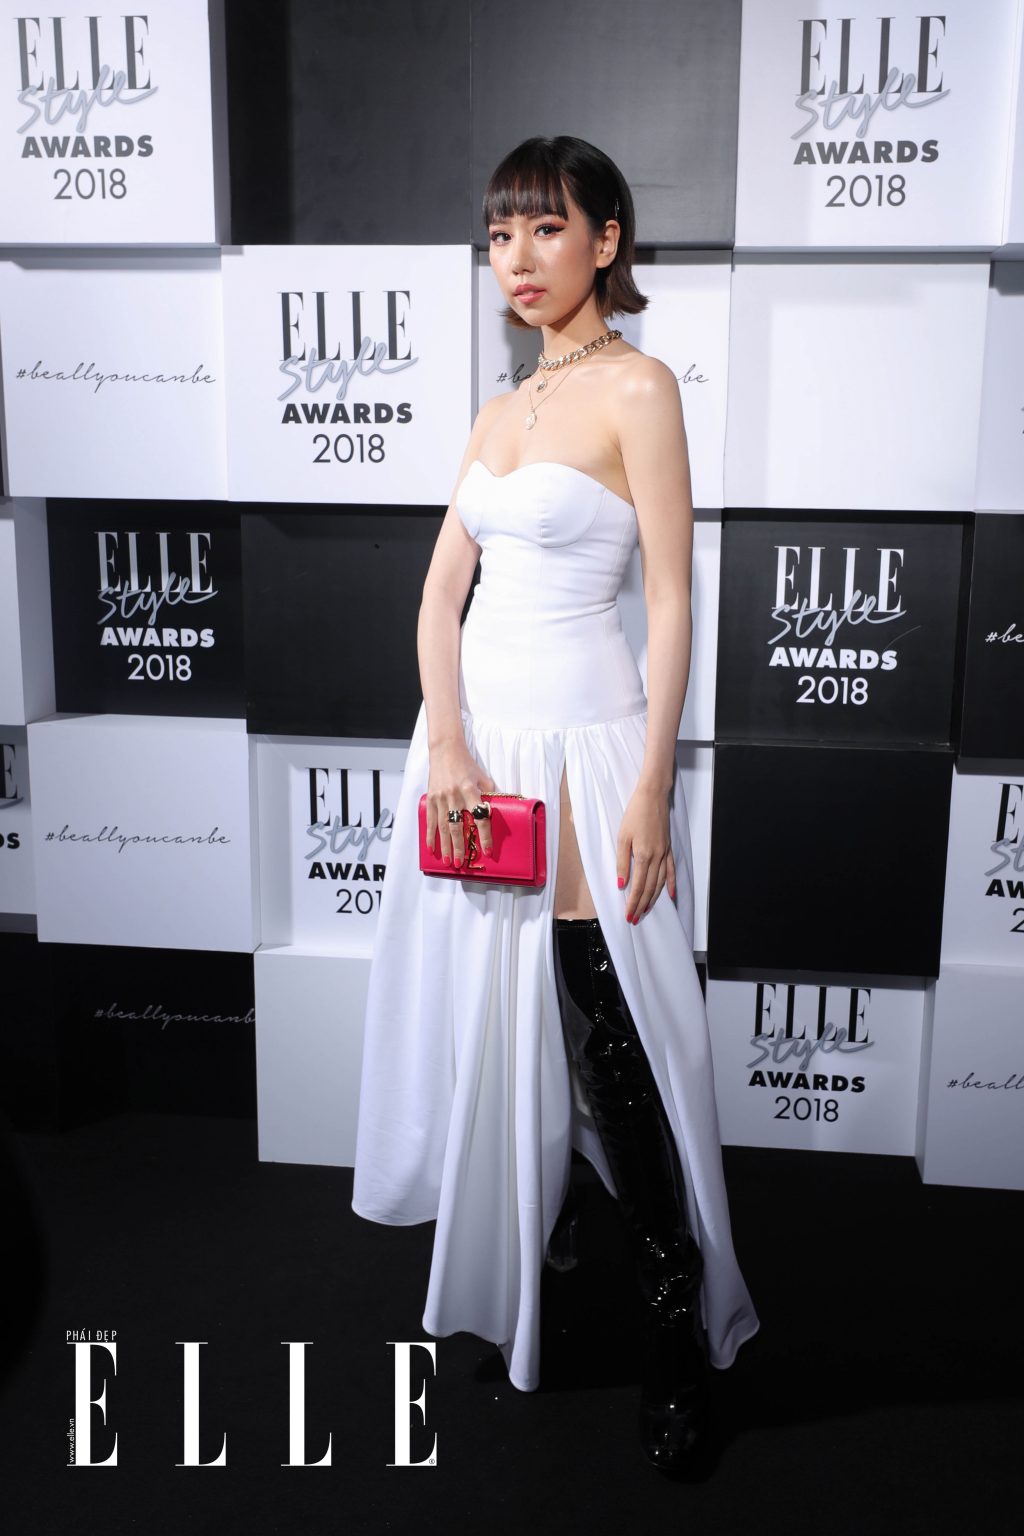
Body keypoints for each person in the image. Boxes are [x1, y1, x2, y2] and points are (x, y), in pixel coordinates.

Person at [351, 134, 759, 1477]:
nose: (516, 259)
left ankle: (673, 1326)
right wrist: (449, 746)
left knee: (605, 1014)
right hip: (475, 750)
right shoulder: (496, 412)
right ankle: (540, 1230)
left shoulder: (639, 387)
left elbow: (673, 597)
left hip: (588, 746)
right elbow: (437, 597)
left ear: (606, 241)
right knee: (492, 1006)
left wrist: (652, 780)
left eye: (544, 229)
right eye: (498, 234)